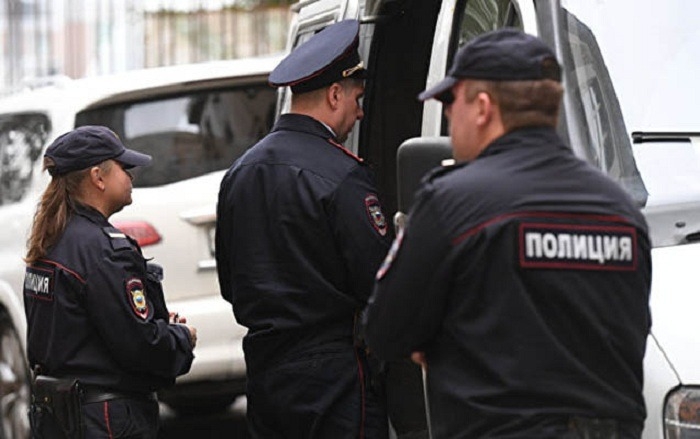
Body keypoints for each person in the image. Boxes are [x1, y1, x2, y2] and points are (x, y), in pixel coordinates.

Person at [363, 28, 652, 439]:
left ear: (483, 107)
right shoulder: (620, 210)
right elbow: (626, 337)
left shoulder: (451, 202)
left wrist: (437, 340)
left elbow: (385, 331)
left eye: (451, 102)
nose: (448, 118)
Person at [215, 19, 391, 439]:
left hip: (266, 373)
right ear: (335, 94)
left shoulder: (239, 174)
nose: (360, 112)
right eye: (357, 99)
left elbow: (230, 284)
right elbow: (380, 280)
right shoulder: (343, 175)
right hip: (334, 376)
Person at [23, 125, 197, 438]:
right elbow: (141, 346)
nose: (131, 176)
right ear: (98, 177)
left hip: (60, 418)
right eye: (124, 167)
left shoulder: (51, 240)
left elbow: (80, 333)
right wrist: (181, 338)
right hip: (105, 421)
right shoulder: (102, 250)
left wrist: (156, 325)